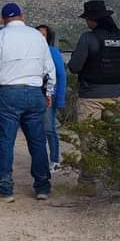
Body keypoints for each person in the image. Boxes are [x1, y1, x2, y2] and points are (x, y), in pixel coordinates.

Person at [0, 3, 55, 203]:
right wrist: (49, 91)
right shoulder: (37, 36)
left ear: (3, 19)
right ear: (22, 16)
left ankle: (5, 188)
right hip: (34, 91)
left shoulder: (0, 36)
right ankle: (42, 187)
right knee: (37, 141)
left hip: (9, 93)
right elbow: (49, 67)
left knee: (5, 142)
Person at [67, 0, 120, 195]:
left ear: (92, 19)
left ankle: (87, 183)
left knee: (90, 141)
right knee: (116, 140)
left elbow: (74, 67)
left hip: (91, 97)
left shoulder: (88, 38)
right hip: (115, 94)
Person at [36, 25, 67, 173]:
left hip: (49, 95)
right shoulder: (32, 52)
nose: (40, 37)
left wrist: (60, 98)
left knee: (49, 128)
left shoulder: (53, 52)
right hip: (35, 95)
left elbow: (61, 75)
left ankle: (55, 160)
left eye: (43, 34)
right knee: (37, 129)